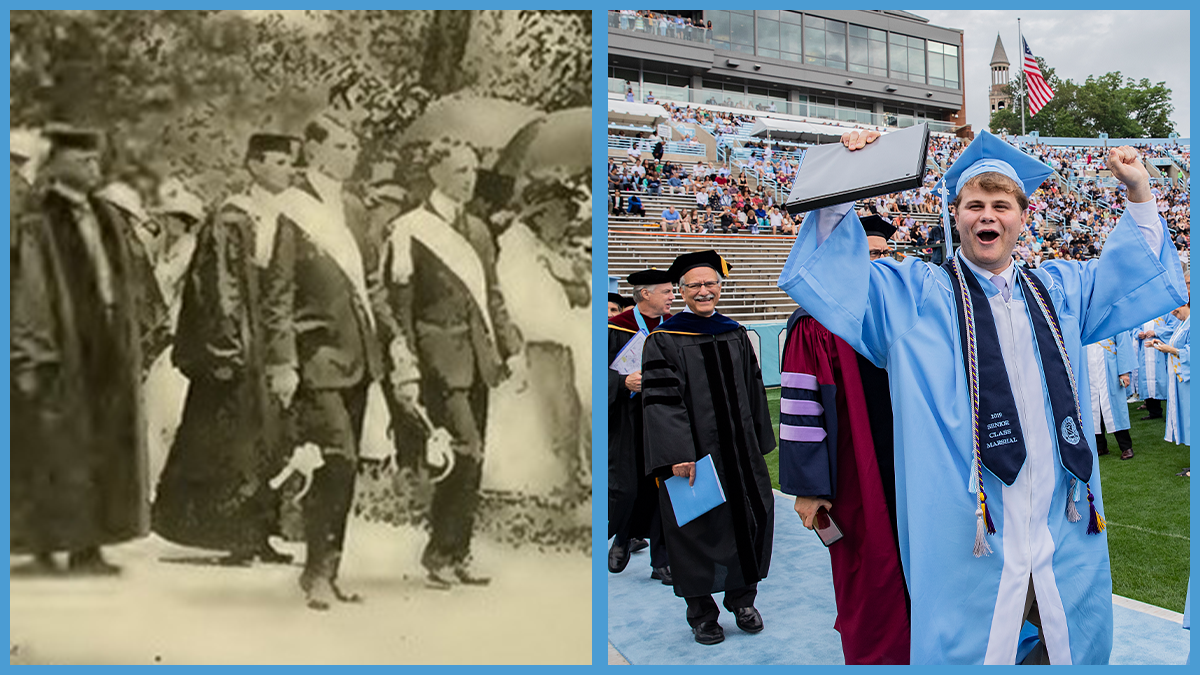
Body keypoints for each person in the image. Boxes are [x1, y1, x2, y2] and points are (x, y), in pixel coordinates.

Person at [777, 129, 1187, 664]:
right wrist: (845, 180)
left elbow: (1133, 273)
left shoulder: (1060, 291)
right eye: (974, 204)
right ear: (956, 215)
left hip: (1061, 513)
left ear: (1022, 218)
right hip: (967, 520)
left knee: (1070, 640)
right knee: (969, 646)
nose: (987, 215)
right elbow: (835, 275)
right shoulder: (914, 295)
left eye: (1001, 205)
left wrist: (1138, 193)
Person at [266, 115, 397, 609]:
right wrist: (282, 362)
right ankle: (316, 571)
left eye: (355, 145)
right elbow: (277, 293)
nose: (352, 154)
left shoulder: (355, 210)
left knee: (343, 468)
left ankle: (328, 568)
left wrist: (394, 339)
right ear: (315, 151)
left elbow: (372, 282)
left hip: (358, 355)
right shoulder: (290, 209)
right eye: (342, 145)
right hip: (314, 355)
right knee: (336, 458)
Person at [152, 133, 300, 565]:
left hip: (270, 337)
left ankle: (261, 531)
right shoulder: (233, 216)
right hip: (239, 341)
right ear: (253, 166)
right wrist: (226, 348)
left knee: (271, 438)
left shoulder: (287, 215)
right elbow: (220, 287)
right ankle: (231, 533)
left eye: (289, 163)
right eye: (275, 161)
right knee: (234, 442)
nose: (285, 169)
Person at [11, 127, 148, 575]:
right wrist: (31, 352)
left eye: (95, 161)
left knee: (103, 444)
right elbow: (29, 291)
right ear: (59, 165)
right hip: (64, 343)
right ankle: (50, 544)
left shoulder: (107, 215)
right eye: (83, 161)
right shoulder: (40, 219)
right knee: (57, 447)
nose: (94, 168)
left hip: (106, 340)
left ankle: (89, 546)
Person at [385, 140, 511, 590]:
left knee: (473, 458)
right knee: (465, 450)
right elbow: (398, 303)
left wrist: (509, 346)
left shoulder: (477, 229)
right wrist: (404, 358)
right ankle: (440, 551)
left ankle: (457, 551)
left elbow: (491, 294)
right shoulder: (408, 229)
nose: (468, 179)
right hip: (436, 357)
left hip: (477, 357)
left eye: (472, 171)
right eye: (459, 171)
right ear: (435, 174)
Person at [641, 250, 775, 645]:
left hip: (739, 453)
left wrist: (758, 442)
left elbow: (753, 389)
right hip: (693, 458)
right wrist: (677, 453)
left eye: (710, 283)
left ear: (720, 287)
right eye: (694, 285)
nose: (704, 291)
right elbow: (663, 402)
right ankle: (702, 613)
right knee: (695, 531)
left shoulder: (733, 331)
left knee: (751, 520)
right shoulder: (663, 340)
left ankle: (742, 599)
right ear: (680, 291)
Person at [779, 295, 909, 663]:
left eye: (883, 252)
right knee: (874, 579)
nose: (875, 262)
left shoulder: (902, 309)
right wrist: (809, 488)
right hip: (858, 474)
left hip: (917, 469)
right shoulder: (814, 322)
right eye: (866, 252)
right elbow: (801, 406)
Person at [608, 268, 675, 584]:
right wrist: (622, 383)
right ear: (645, 294)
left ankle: (661, 561)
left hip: (664, 421)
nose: (672, 296)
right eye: (666, 291)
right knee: (629, 488)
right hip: (628, 422)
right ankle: (623, 535)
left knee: (664, 491)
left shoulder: (674, 328)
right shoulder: (612, 328)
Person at [1086, 333, 1136, 460]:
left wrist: (1124, 373)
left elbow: (1123, 344)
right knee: (1093, 408)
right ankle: (1100, 445)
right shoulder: (1085, 316)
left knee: (1115, 407)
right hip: (1089, 368)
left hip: (1110, 369)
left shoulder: (1114, 316)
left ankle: (1126, 446)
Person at [1154, 296, 1190, 447]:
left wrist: (1172, 350)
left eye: (1176, 312)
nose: (1175, 315)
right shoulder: (1183, 324)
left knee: (1191, 418)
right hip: (1180, 376)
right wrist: (1162, 345)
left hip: (1188, 378)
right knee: (1187, 418)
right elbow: (1177, 345)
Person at [1136, 312, 1179, 420]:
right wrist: (1138, 333)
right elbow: (1134, 327)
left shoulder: (1165, 311)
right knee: (1147, 381)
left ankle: (1172, 412)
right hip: (1145, 351)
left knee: (1163, 380)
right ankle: (1154, 412)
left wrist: (1156, 332)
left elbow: (1174, 326)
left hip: (1160, 349)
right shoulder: (1141, 312)